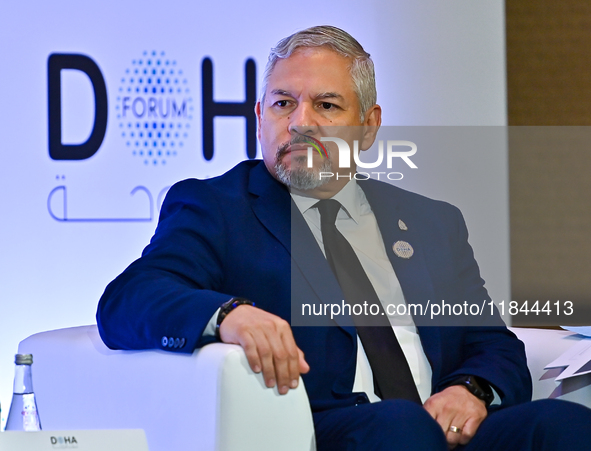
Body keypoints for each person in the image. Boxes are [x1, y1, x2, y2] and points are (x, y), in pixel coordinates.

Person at [97, 25, 591, 450]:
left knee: (562, 424)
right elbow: (128, 300)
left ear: (369, 126)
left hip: (439, 428)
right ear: (259, 117)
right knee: (401, 427)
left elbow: (492, 343)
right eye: (283, 103)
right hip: (327, 432)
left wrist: (471, 389)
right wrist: (228, 314)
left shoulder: (431, 222)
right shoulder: (218, 208)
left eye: (326, 105)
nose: (300, 122)